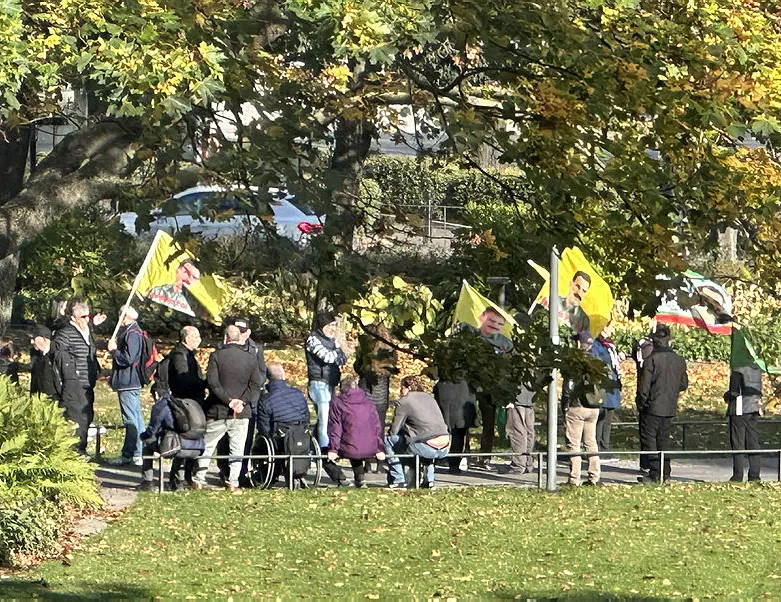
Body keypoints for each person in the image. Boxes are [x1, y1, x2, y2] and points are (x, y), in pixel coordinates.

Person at [192, 325, 262, 492]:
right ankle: (233, 482)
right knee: (237, 449)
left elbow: (212, 383)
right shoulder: (251, 358)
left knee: (208, 445)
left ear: (225, 338)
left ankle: (199, 479)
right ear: (239, 338)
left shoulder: (216, 356)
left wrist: (228, 401)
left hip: (219, 410)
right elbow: (256, 384)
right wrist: (242, 402)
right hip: (242, 412)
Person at [459, 307, 513, 471]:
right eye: (490, 320)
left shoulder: (504, 342)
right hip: (469, 387)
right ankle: (463, 455)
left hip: (490, 389)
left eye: (497, 322)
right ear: (482, 319)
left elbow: (510, 361)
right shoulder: (470, 338)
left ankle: (484, 458)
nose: (493, 325)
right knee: (465, 422)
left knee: (489, 424)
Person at [637, 324, 688, 484]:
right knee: (664, 440)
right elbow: (683, 384)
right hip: (670, 406)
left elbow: (643, 388)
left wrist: (642, 404)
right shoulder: (679, 360)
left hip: (652, 407)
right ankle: (665, 472)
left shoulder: (651, 360)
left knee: (650, 440)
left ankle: (655, 473)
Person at [52, 297, 101, 455]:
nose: (87, 320)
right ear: (73, 317)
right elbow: (60, 357)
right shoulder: (66, 333)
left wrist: (96, 370)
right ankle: (75, 452)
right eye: (83, 317)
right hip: (74, 383)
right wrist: (71, 377)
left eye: (88, 316)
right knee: (77, 418)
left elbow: (91, 354)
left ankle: (82, 449)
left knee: (87, 417)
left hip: (88, 383)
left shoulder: (87, 332)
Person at [385, 375, 450, 489]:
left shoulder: (404, 401)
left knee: (387, 441)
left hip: (425, 445)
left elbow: (394, 430)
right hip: (445, 444)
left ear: (408, 388)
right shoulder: (430, 398)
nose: (400, 391)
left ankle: (398, 479)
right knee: (427, 440)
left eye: (402, 388)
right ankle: (429, 480)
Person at [255, 362, 311, 488]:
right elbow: (306, 415)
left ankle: (266, 475)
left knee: (261, 444)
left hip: (280, 437)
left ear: (268, 378)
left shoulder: (266, 399)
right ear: (283, 375)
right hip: (300, 433)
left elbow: (264, 427)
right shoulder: (297, 393)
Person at [137, 391, 206, 491]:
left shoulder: (161, 405)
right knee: (180, 446)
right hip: (199, 447)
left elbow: (152, 430)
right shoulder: (182, 405)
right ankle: (178, 483)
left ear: (156, 393)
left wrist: (143, 436)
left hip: (179, 448)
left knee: (147, 444)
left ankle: (147, 482)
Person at [327, 376, 386, 488]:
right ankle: (360, 479)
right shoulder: (368, 401)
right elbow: (377, 426)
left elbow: (336, 427)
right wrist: (379, 448)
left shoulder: (338, 402)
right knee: (354, 443)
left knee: (323, 452)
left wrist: (333, 449)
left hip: (351, 448)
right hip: (371, 447)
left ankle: (341, 479)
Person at [562, 331, 603, 486]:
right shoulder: (597, 360)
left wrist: (566, 404)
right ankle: (594, 476)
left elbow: (569, 387)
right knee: (591, 442)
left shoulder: (575, 363)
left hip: (577, 407)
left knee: (574, 444)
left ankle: (574, 478)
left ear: (579, 344)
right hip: (594, 407)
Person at [107, 305, 146, 466]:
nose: (118, 318)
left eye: (120, 315)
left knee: (131, 419)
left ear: (126, 317)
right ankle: (138, 452)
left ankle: (133, 454)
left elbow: (128, 359)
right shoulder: (131, 332)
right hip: (128, 381)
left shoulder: (132, 333)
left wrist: (114, 351)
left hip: (128, 381)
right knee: (136, 418)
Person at [305, 312, 347, 454]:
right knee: (324, 419)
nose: (333, 329)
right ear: (323, 325)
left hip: (330, 383)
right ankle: (324, 450)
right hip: (318, 383)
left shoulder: (332, 341)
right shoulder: (312, 339)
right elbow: (326, 357)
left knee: (328, 418)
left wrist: (338, 354)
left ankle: (314, 448)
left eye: (335, 325)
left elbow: (344, 358)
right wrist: (337, 353)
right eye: (330, 325)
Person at [354, 323, 398, 428]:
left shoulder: (367, 348)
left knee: (365, 427)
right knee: (379, 426)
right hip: (382, 393)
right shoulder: (390, 348)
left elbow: (358, 367)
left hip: (367, 390)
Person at [724, 363, 763, 482]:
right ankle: (755, 474)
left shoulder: (737, 369)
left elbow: (734, 391)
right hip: (754, 406)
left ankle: (738, 474)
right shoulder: (757, 368)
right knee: (753, 441)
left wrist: (726, 396)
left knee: (737, 442)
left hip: (739, 408)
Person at [592, 322, 622, 460]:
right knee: (600, 417)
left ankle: (606, 445)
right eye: (607, 327)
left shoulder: (610, 346)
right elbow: (598, 361)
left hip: (613, 385)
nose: (609, 330)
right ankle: (596, 446)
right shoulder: (596, 344)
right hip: (603, 385)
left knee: (608, 418)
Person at [433, 379, 476, 474]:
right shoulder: (467, 380)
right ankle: (454, 465)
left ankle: (434, 463)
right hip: (460, 413)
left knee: (439, 437)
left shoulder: (443, 382)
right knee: (458, 439)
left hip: (446, 412)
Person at [632, 332, 655, 472]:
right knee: (651, 437)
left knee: (648, 436)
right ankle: (649, 464)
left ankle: (647, 464)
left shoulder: (648, 356)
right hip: (653, 401)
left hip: (648, 401)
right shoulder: (648, 354)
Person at [29, 325, 62, 401]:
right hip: (40, 398)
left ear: (44, 339)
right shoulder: (35, 354)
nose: (32, 342)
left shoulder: (57, 355)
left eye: (34, 339)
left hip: (56, 398)